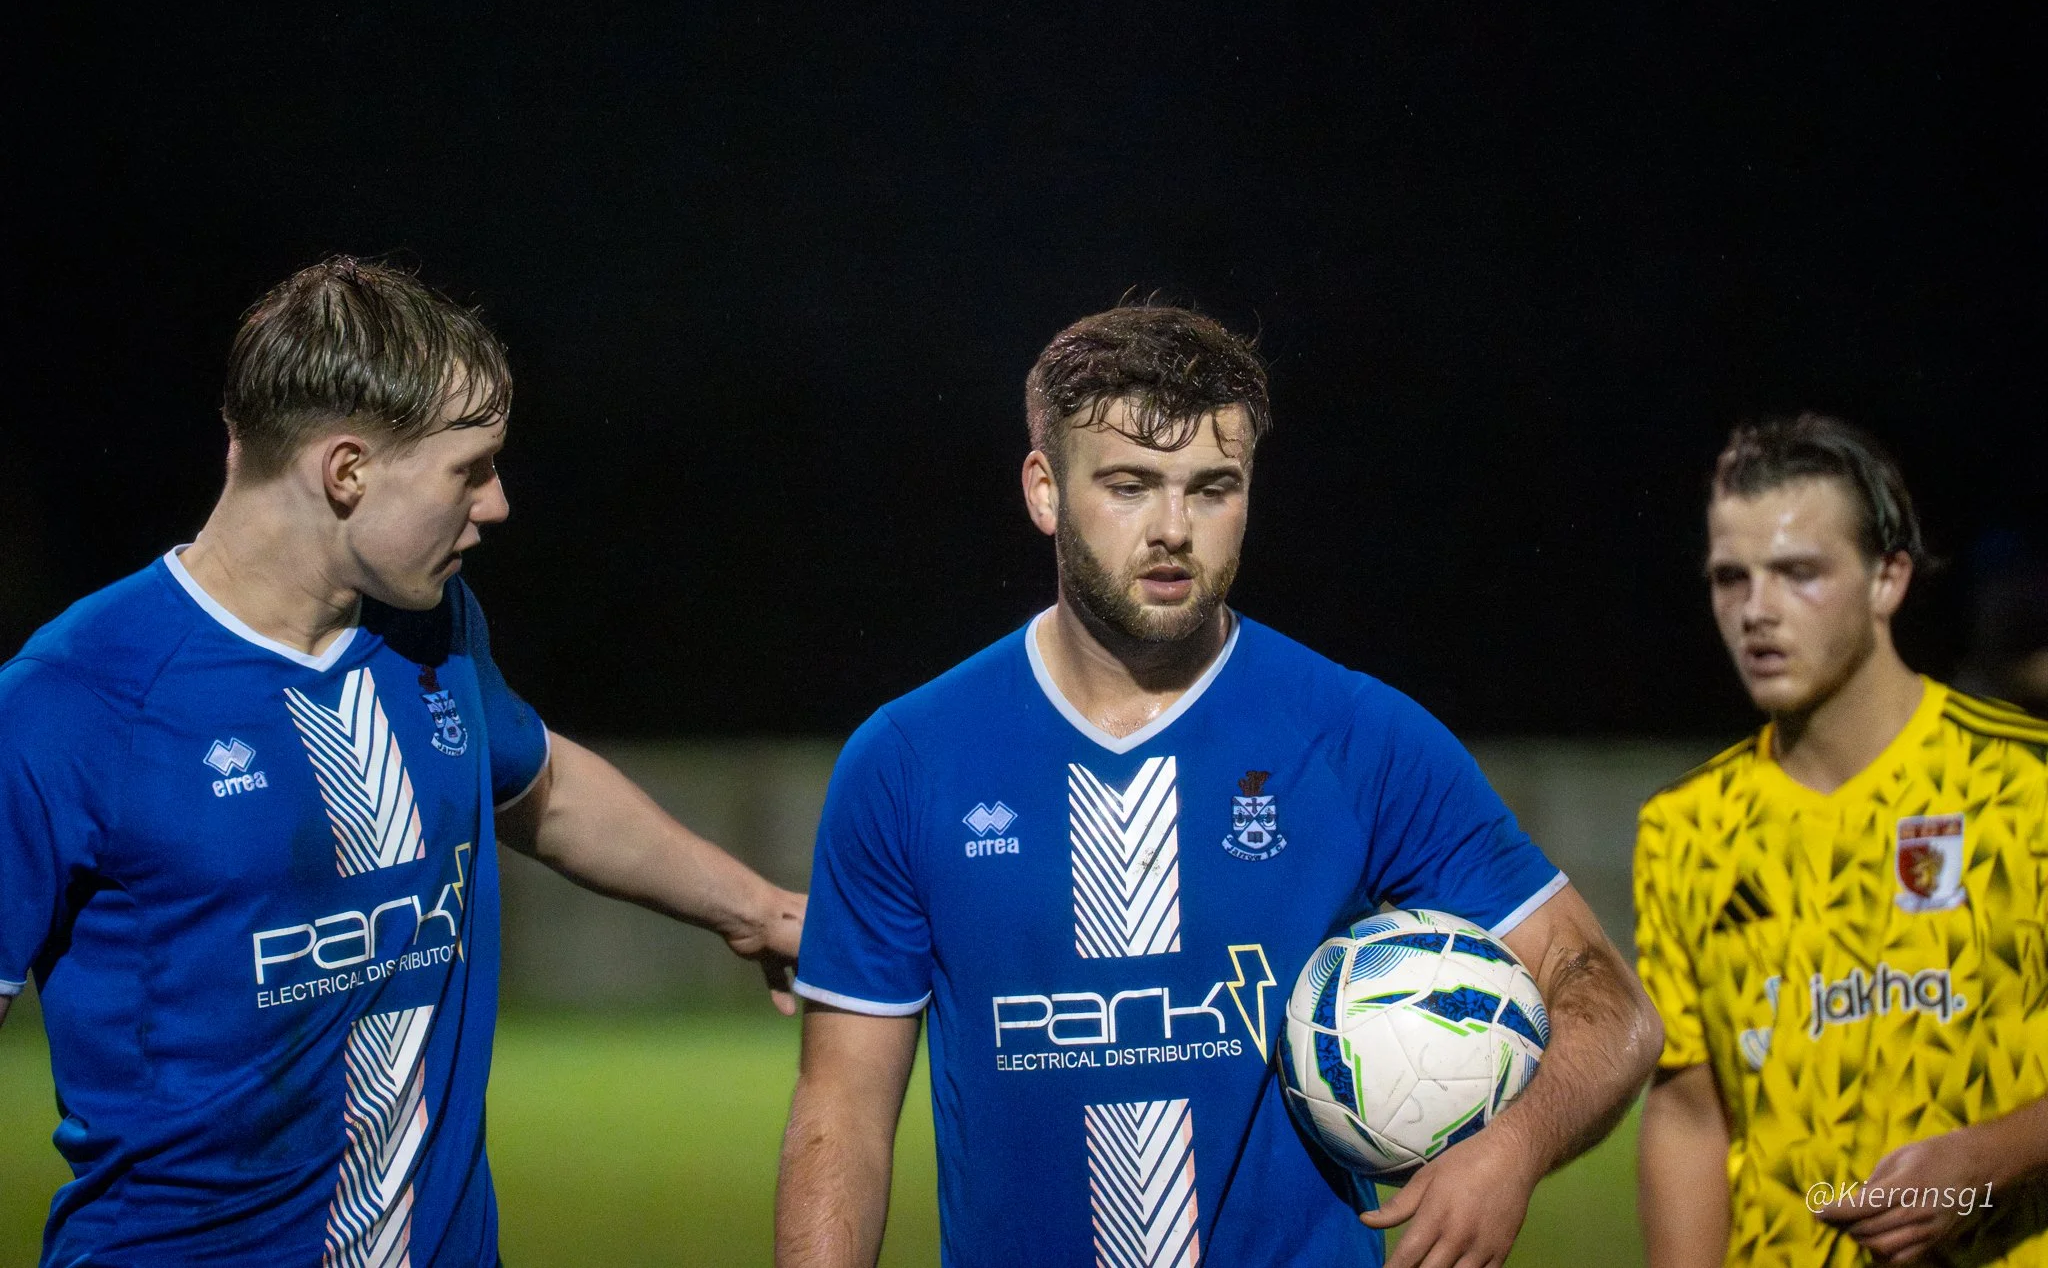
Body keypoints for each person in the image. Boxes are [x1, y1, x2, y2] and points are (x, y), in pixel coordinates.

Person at [774, 304, 1660, 1268]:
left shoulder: (1355, 736)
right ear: (1044, 489)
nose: (1172, 529)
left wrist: (1513, 1149)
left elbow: (1610, 1002)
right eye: (1129, 485)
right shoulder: (909, 760)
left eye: (1212, 488)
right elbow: (842, 1111)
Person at [0, 257, 805, 1265]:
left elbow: (541, 785)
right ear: (347, 471)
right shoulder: (72, 700)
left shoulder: (430, 625)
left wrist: (755, 910)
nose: (497, 503)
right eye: (470, 468)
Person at [1634, 415, 2048, 1267]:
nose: (1756, 611)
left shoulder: (2026, 783)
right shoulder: (1685, 827)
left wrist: (1987, 1162)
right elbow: (1690, 1112)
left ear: (1888, 578)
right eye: (1731, 577)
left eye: (1799, 573)